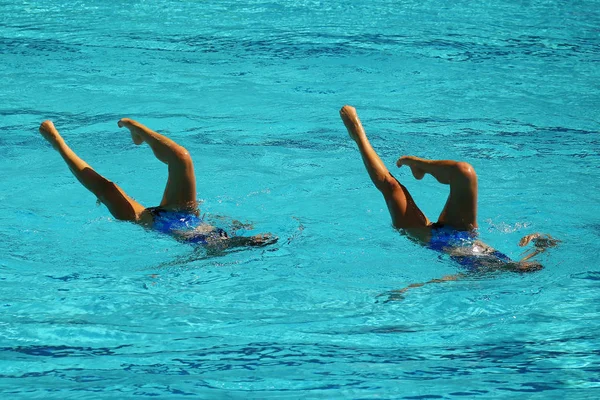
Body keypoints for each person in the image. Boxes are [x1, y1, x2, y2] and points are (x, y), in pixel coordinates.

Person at [339, 105, 559, 296]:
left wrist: (410, 289)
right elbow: (547, 245)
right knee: (465, 171)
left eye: (526, 267)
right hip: (463, 230)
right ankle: (420, 166)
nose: (525, 264)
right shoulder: (512, 262)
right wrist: (541, 239)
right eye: (528, 264)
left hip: (427, 238)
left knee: (392, 186)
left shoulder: (486, 274)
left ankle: (358, 134)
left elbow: (446, 281)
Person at [38, 119, 276, 252]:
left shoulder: (215, 251)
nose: (257, 238)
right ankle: (140, 133)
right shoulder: (227, 238)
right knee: (181, 157)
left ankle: (57, 143)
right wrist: (242, 229)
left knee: (108, 189)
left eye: (255, 240)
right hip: (183, 211)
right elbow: (223, 223)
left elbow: (178, 264)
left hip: (147, 220)